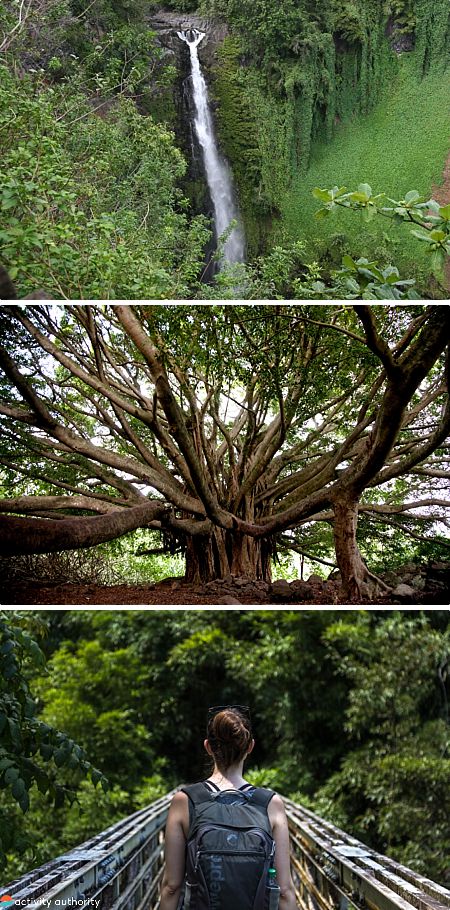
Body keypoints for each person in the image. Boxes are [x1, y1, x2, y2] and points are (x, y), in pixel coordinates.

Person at [160, 705, 297, 910]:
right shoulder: (270, 803)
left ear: (208, 747)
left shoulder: (185, 800)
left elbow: (172, 886)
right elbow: (285, 890)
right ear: (250, 747)